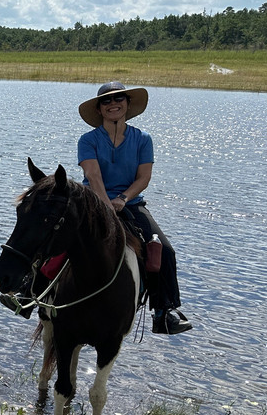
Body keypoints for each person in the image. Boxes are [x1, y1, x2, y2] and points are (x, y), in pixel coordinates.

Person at [77, 81, 192, 335]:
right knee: (54, 231)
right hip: (94, 201)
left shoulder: (142, 139)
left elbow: (144, 178)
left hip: (130, 203)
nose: (113, 104)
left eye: (119, 99)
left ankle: (164, 312)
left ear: (128, 104)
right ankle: (30, 292)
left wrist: (123, 199)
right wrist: (107, 206)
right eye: (106, 101)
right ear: (98, 109)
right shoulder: (88, 140)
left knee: (165, 251)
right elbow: (93, 177)